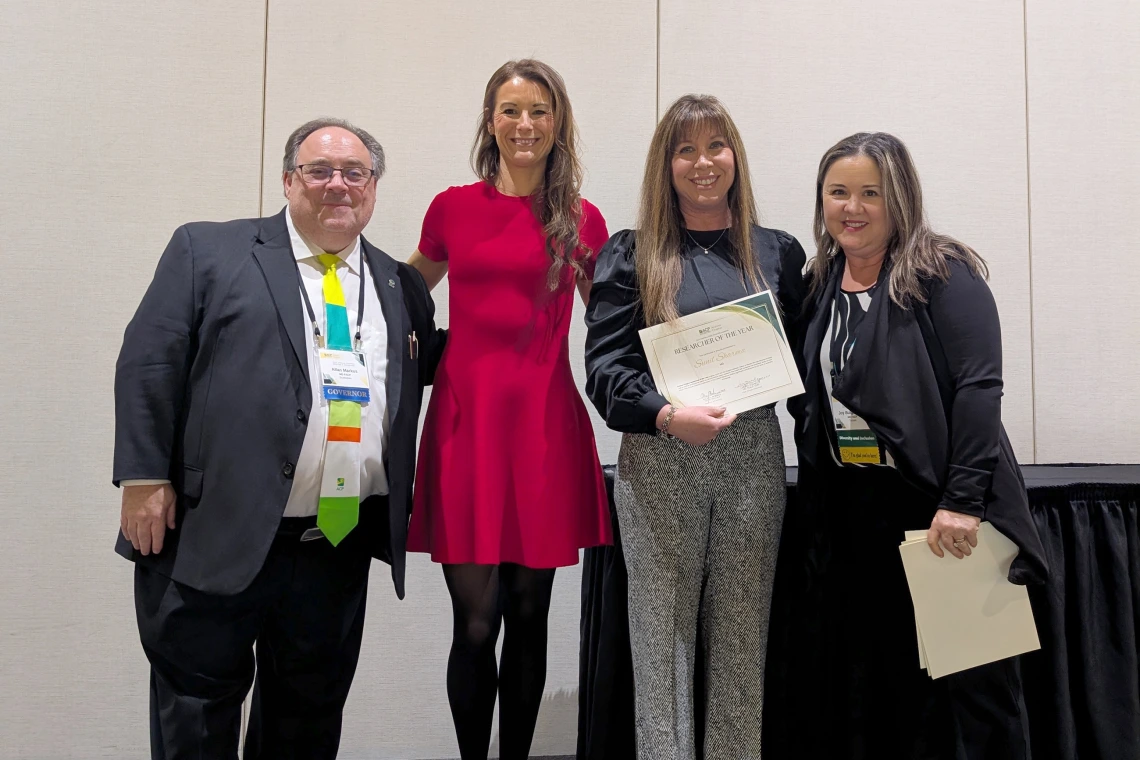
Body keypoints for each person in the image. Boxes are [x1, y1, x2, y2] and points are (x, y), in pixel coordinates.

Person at [113, 118, 444, 760]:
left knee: (307, 726)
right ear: (289, 180)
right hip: (215, 536)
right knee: (196, 723)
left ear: (374, 186)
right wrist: (143, 477)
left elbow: (433, 374)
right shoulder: (210, 252)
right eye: (319, 171)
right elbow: (149, 361)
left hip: (336, 545)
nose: (338, 186)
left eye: (355, 173)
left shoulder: (398, 287)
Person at [783, 131, 1048, 759]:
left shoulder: (943, 274)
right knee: (887, 684)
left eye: (870, 193)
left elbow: (980, 392)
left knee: (975, 687)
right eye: (838, 192)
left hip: (937, 506)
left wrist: (962, 500)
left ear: (899, 197)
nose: (853, 207)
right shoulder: (820, 280)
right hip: (853, 510)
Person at [583, 94, 807, 760]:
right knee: (662, 645)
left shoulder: (777, 252)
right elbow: (605, 369)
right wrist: (665, 415)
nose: (703, 162)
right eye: (686, 149)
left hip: (753, 459)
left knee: (742, 642)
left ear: (735, 156)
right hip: (659, 459)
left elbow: (805, 371)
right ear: (666, 164)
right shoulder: (631, 253)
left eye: (716, 145)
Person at [405, 59, 612, 760]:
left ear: (558, 124)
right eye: (511, 110)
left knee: (530, 617)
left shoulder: (581, 219)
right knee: (475, 621)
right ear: (490, 121)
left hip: (544, 431)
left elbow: (615, 324)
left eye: (539, 111)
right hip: (467, 427)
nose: (525, 125)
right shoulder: (451, 208)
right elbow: (403, 294)